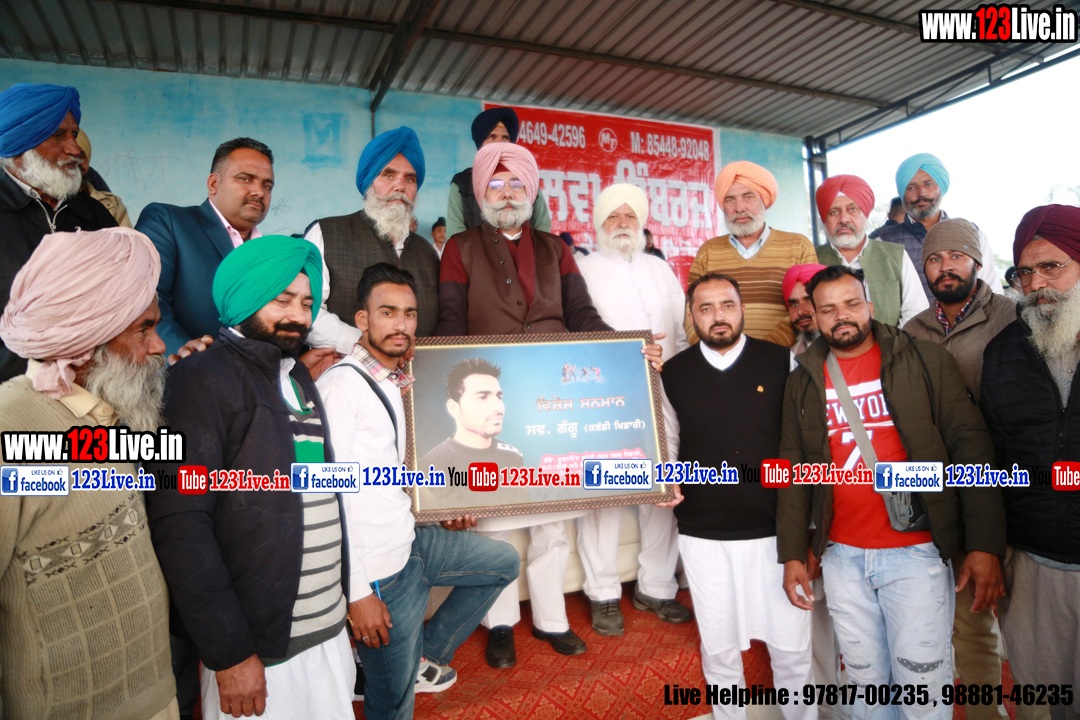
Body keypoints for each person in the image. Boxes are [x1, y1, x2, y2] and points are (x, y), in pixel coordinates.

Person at [777, 265, 1005, 719]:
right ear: (814, 317)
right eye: (828, 309)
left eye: (851, 304)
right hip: (842, 557)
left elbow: (971, 449)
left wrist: (984, 545)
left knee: (922, 684)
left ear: (870, 305)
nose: (842, 316)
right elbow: (793, 469)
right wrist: (792, 553)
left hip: (915, 553)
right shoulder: (803, 379)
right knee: (865, 687)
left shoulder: (923, 360)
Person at [145, 236, 355, 720]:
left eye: (306, 303)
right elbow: (181, 525)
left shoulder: (296, 376)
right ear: (244, 297)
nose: (298, 316)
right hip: (259, 648)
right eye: (281, 299)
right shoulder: (200, 378)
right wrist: (231, 651)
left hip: (325, 629)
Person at [435, 141, 612, 667]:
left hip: (552, 395)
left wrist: (625, 350)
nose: (507, 193)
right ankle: (500, 623)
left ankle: (552, 619)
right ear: (480, 193)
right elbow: (450, 321)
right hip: (490, 392)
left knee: (551, 519)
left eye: (517, 183)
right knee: (495, 517)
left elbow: (582, 314)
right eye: (496, 184)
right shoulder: (460, 247)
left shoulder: (556, 249)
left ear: (532, 192)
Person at [317, 263, 518, 719]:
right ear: (362, 320)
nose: (401, 324)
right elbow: (329, 497)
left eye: (409, 313)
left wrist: (440, 508)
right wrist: (357, 593)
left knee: (503, 562)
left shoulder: (395, 380)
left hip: (411, 542)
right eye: (387, 312)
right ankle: (400, 668)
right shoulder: (342, 386)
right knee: (394, 707)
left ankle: (425, 655)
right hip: (379, 575)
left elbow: (388, 475)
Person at [0, 228, 177, 720]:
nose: (159, 345)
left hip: (154, 697)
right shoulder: (11, 428)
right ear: (87, 341)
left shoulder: (107, 413)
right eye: (143, 329)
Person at [663, 272, 813, 720]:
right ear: (691, 316)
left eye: (727, 305)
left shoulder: (781, 361)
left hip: (775, 532)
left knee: (792, 648)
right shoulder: (674, 372)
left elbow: (803, 443)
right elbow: (668, 440)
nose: (718, 316)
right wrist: (664, 480)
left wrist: (806, 528)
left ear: (742, 308)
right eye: (705, 308)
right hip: (703, 532)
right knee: (720, 650)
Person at [899, 218, 1016, 720]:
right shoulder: (912, 331)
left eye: (955, 257)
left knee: (1025, 622)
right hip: (949, 493)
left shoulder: (1010, 318)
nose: (945, 267)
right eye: (934, 259)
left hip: (1011, 485)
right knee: (972, 620)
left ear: (976, 261)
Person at [575, 183, 691, 635]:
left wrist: (676, 374)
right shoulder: (583, 269)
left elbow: (679, 332)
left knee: (664, 488)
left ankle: (656, 586)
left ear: (641, 224)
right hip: (607, 394)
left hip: (663, 389)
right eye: (613, 216)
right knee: (605, 492)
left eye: (630, 216)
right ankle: (602, 592)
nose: (622, 223)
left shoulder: (659, 269)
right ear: (599, 223)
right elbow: (576, 331)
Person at [980, 204, 1080, 720]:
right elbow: (992, 461)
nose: (1037, 284)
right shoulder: (1004, 353)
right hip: (1035, 564)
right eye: (1025, 271)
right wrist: (988, 548)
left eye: (1051, 267)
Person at [0, 82, 117, 382]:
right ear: (20, 141)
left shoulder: (96, 215)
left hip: (90, 388)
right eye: (57, 135)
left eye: (73, 135)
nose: (75, 149)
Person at [136, 137, 274, 356]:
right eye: (245, 179)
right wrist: (184, 356)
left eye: (267, 186)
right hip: (181, 372)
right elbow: (147, 300)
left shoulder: (271, 253)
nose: (259, 192)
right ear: (213, 184)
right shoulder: (169, 222)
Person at [306, 126, 440, 351]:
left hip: (419, 371)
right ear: (368, 182)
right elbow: (308, 311)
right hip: (343, 369)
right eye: (388, 175)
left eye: (409, 179)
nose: (400, 186)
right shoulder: (327, 233)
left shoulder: (428, 253)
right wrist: (363, 345)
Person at [685, 161, 817, 347]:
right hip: (718, 355)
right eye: (730, 200)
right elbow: (690, 309)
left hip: (781, 355)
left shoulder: (798, 246)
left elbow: (809, 307)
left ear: (763, 200)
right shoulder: (708, 251)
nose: (739, 208)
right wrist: (711, 350)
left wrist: (760, 352)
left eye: (748, 197)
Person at [877, 153, 1001, 299]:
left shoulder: (971, 233)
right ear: (902, 195)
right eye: (911, 187)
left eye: (928, 184)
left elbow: (991, 290)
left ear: (940, 188)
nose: (921, 193)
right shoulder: (883, 242)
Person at [814, 174, 928, 327]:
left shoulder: (895, 256)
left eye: (852, 209)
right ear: (824, 220)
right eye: (834, 212)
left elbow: (916, 311)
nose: (844, 219)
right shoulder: (811, 258)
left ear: (865, 215)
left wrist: (892, 341)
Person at [446, 106, 551, 237]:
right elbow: (455, 233)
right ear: (480, 143)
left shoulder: (526, 177)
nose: (499, 143)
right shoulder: (462, 183)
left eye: (505, 138)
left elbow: (543, 227)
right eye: (492, 137)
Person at [419, 357, 526, 472]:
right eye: (482, 397)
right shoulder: (429, 467)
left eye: (499, 397)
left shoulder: (513, 457)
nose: (498, 407)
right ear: (454, 408)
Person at [75, 128, 132, 226]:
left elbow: (126, 235)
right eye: (68, 156)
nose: (73, 162)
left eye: (81, 156)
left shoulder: (112, 204)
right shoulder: (47, 204)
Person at [783, 263, 827, 355]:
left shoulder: (854, 347)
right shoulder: (791, 357)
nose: (800, 311)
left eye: (809, 301)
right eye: (794, 305)